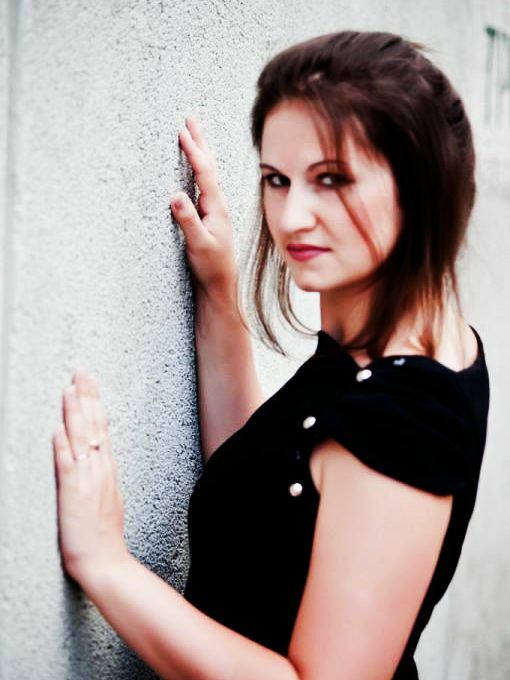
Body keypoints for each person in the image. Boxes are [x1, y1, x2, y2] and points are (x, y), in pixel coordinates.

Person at [52, 30, 490, 680]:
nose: (292, 217)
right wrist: (219, 295)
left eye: (332, 180)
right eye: (278, 180)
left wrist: (105, 564)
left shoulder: (406, 419)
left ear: (420, 187)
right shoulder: (390, 332)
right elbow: (269, 489)